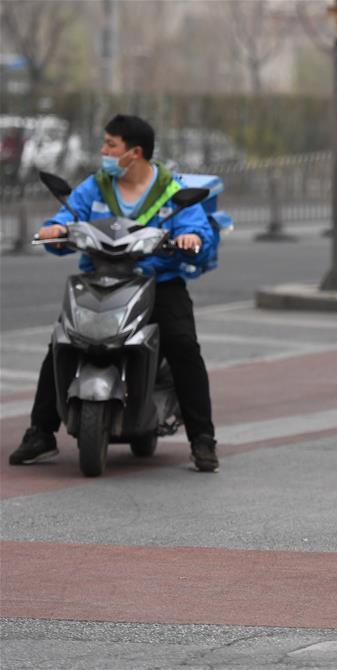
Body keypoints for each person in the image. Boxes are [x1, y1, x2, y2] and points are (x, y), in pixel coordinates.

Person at [9, 114, 220, 472]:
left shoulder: (171, 191)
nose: (103, 151)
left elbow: (197, 230)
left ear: (134, 152)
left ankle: (202, 439)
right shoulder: (97, 186)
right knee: (62, 342)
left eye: (110, 145)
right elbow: (67, 217)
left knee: (183, 345)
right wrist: (55, 230)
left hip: (158, 284)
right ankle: (40, 433)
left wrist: (192, 238)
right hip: (100, 278)